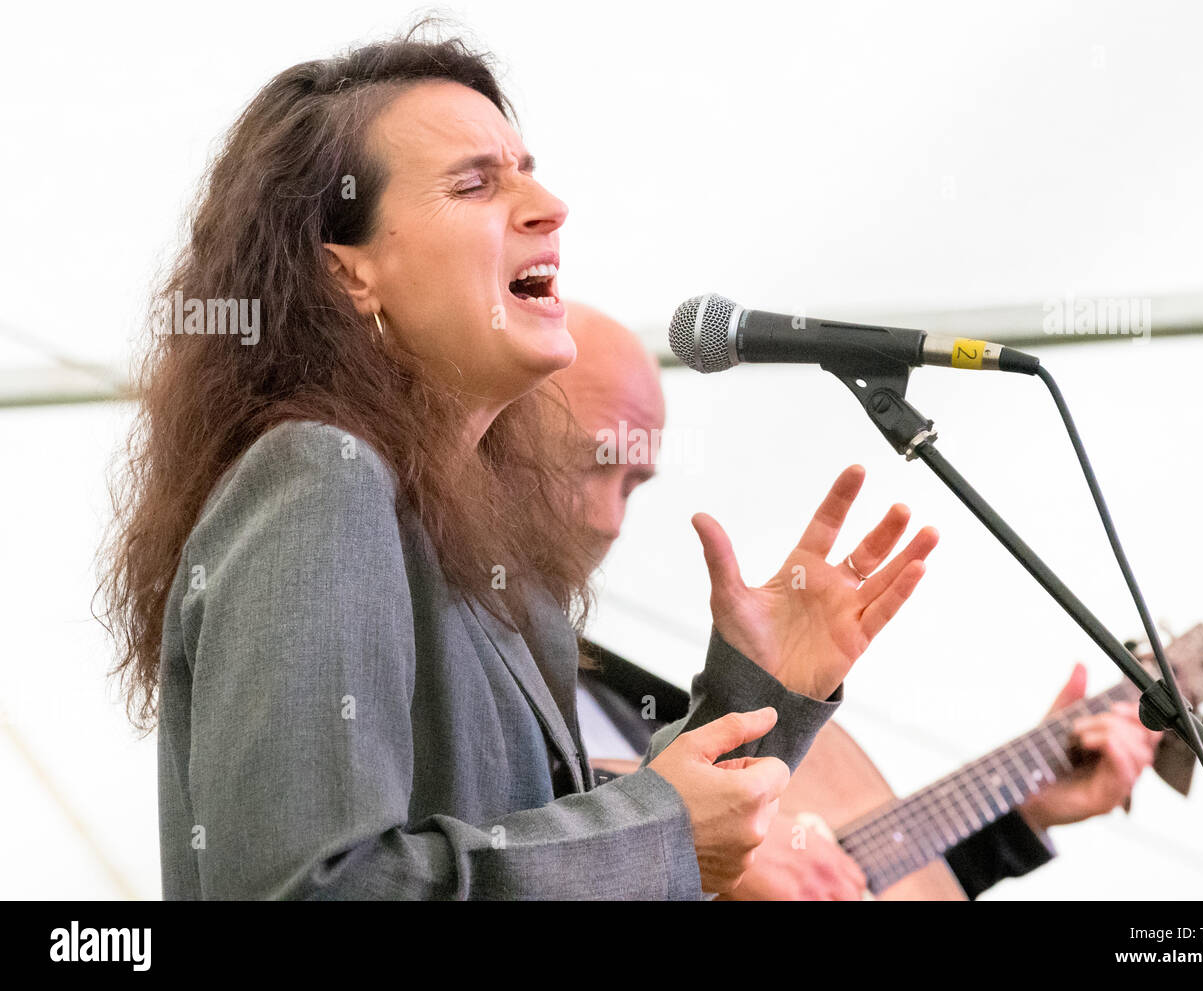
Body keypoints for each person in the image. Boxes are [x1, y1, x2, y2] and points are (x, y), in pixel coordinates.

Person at [97, 31, 938, 900]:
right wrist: (666, 831)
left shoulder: (490, 535)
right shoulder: (324, 474)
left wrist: (760, 690)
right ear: (349, 273)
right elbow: (315, 888)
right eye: (475, 183)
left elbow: (558, 837)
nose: (549, 205)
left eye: (528, 170)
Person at [550, 301, 1163, 900]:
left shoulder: (611, 702)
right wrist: (687, 845)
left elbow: (834, 874)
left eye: (633, 484)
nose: (611, 521)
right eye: (590, 465)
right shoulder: (469, 687)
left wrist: (1019, 819)